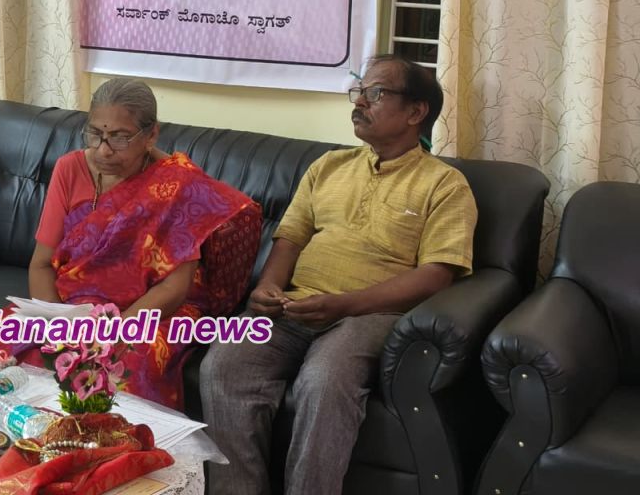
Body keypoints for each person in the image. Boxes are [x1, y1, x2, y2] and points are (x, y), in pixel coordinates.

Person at [201, 55, 477, 495]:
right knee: (224, 365)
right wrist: (268, 286)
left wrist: (345, 304)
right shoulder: (328, 166)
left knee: (325, 380)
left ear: (415, 111)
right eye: (359, 91)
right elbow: (289, 239)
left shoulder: (445, 184)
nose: (360, 102)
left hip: (368, 316)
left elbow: (436, 275)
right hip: (294, 307)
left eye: (376, 93)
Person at [0, 77, 262, 409]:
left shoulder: (178, 184)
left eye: (120, 137)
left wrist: (116, 331)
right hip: (77, 304)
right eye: (95, 134)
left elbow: (174, 287)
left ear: (151, 135)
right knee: (13, 331)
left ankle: (111, 439)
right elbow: (41, 264)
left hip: (152, 312)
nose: (103, 149)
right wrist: (61, 324)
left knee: (128, 362)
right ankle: (9, 428)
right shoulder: (70, 169)